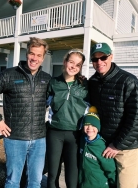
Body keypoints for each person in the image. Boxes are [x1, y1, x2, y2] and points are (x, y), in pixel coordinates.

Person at [0, 37, 51, 188]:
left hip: (39, 139)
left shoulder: (47, 79)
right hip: (15, 138)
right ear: (27, 53)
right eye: (32, 54)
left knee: (35, 181)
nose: (35, 58)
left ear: (43, 57)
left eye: (39, 55)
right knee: (13, 181)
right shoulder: (8, 75)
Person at [89, 42, 138, 188]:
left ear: (111, 57)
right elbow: (91, 109)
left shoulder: (128, 81)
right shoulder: (93, 82)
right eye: (95, 59)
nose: (99, 62)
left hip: (125, 149)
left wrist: (117, 145)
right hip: (101, 145)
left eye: (103, 57)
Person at [46, 49, 89, 188]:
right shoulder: (53, 83)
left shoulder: (84, 85)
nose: (73, 67)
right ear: (65, 62)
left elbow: (93, 107)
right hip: (55, 133)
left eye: (78, 64)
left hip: (75, 134)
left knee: (72, 175)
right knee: (52, 174)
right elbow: (41, 103)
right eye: (71, 62)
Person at [78, 107, 116, 188]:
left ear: (98, 128)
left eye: (93, 125)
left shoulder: (102, 147)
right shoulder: (82, 141)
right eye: (87, 125)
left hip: (99, 185)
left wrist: (113, 184)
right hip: (83, 183)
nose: (89, 128)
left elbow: (110, 169)